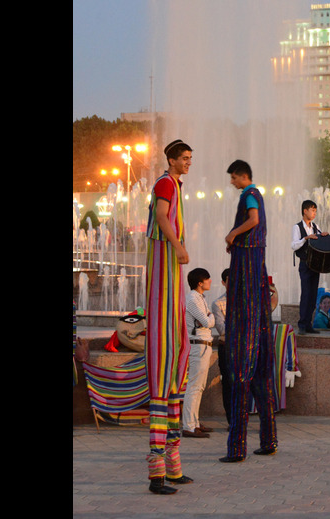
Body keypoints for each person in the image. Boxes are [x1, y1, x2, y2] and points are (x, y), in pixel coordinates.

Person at [143, 139, 194, 494]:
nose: (189, 163)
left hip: (171, 284)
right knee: (163, 385)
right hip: (164, 272)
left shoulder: (175, 184)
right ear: (171, 160)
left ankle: (173, 469)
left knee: (174, 384)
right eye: (185, 158)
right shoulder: (164, 183)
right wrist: (178, 246)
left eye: (191, 158)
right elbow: (161, 217)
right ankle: (156, 474)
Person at [221, 159, 277, 463]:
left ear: (243, 176)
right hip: (255, 265)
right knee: (261, 373)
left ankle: (237, 446)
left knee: (242, 365)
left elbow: (254, 219)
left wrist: (233, 234)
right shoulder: (254, 193)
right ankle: (268, 440)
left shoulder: (250, 194)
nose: (232, 182)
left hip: (247, 268)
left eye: (233, 177)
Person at [182, 268, 215, 439]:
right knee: (194, 386)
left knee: (199, 387)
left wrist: (210, 317)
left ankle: (194, 422)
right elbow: (208, 321)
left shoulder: (200, 298)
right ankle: (188, 425)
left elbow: (209, 319)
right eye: (207, 279)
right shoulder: (192, 299)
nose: (210, 281)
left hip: (203, 345)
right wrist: (210, 317)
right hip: (198, 345)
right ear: (199, 283)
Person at [291, 199, 328, 335]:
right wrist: (306, 238)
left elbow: (318, 241)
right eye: (312, 210)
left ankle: (308, 324)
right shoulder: (297, 227)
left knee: (313, 294)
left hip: (315, 264)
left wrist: (322, 235)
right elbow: (294, 245)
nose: (314, 213)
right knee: (306, 293)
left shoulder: (315, 226)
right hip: (305, 263)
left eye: (315, 211)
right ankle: (302, 323)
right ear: (304, 211)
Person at [212, 268, 234, 422]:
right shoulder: (218, 303)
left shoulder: (248, 300)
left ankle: (243, 418)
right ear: (223, 282)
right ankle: (232, 420)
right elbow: (221, 328)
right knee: (228, 384)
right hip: (227, 348)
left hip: (245, 348)